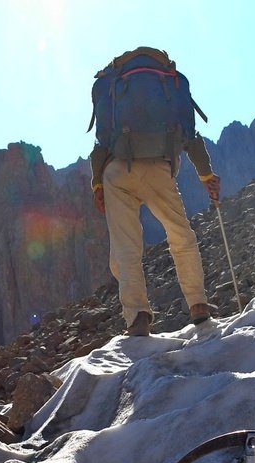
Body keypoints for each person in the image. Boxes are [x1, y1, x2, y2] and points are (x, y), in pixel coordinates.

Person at [88, 47, 221, 336]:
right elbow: (190, 136)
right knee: (181, 235)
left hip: (116, 172)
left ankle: (137, 319)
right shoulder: (170, 84)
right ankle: (198, 306)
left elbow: (100, 145)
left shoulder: (112, 87)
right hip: (158, 169)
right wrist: (207, 175)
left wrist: (97, 183)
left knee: (126, 248)